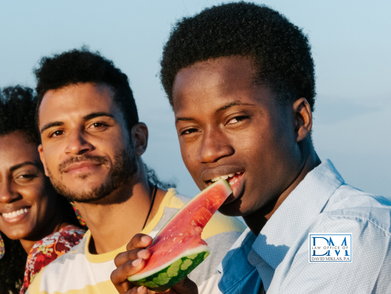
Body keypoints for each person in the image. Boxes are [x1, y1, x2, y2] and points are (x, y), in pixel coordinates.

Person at [111, 2, 391, 293]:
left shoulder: (348, 237)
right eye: (190, 130)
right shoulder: (244, 259)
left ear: (299, 120)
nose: (208, 152)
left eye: (235, 119)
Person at [26, 48, 245, 294]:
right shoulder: (47, 284)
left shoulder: (217, 241)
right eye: (57, 132)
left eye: (97, 125)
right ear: (44, 159)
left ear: (138, 139)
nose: (76, 144)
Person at [0, 86, 86, 294]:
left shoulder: (54, 250)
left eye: (23, 176)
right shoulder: (75, 243)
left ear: (52, 173)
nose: (5, 194)